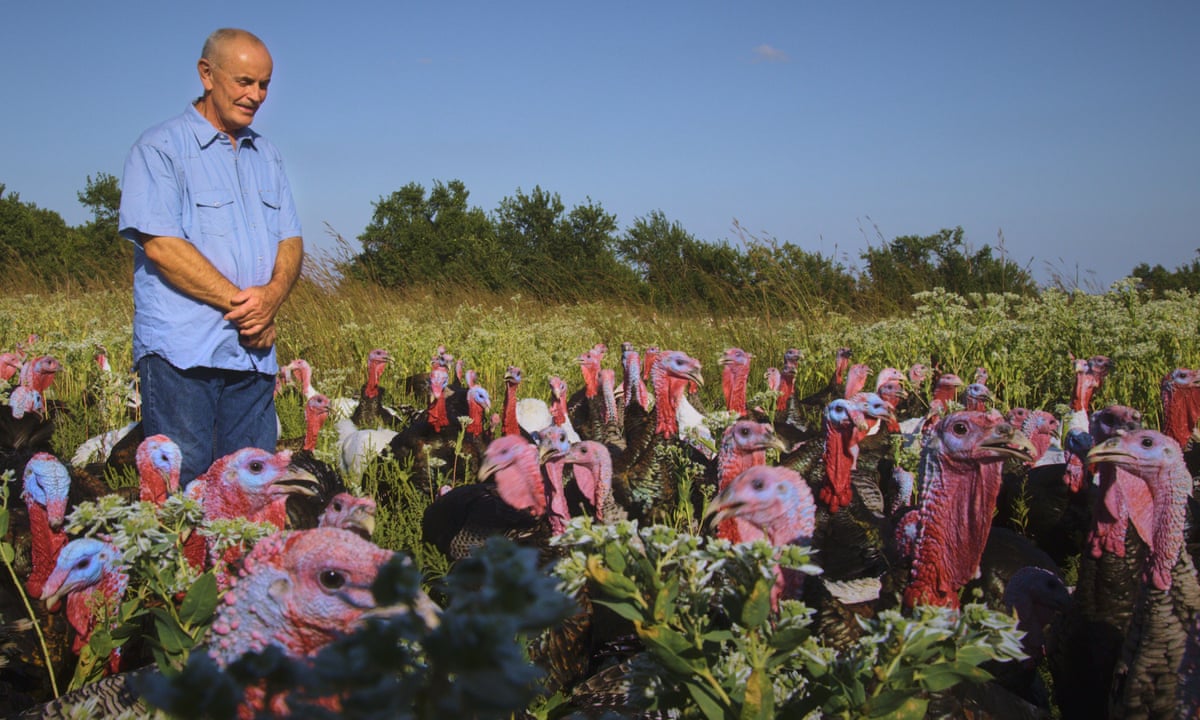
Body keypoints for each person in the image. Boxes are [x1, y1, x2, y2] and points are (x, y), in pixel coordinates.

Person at [118, 28, 303, 486]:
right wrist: (247, 306)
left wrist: (272, 297)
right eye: (244, 81)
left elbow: (291, 240)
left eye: (263, 85)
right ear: (207, 74)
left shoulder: (268, 156)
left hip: (252, 354)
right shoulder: (161, 149)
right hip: (184, 355)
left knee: (250, 489)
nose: (255, 95)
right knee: (185, 486)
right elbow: (162, 245)